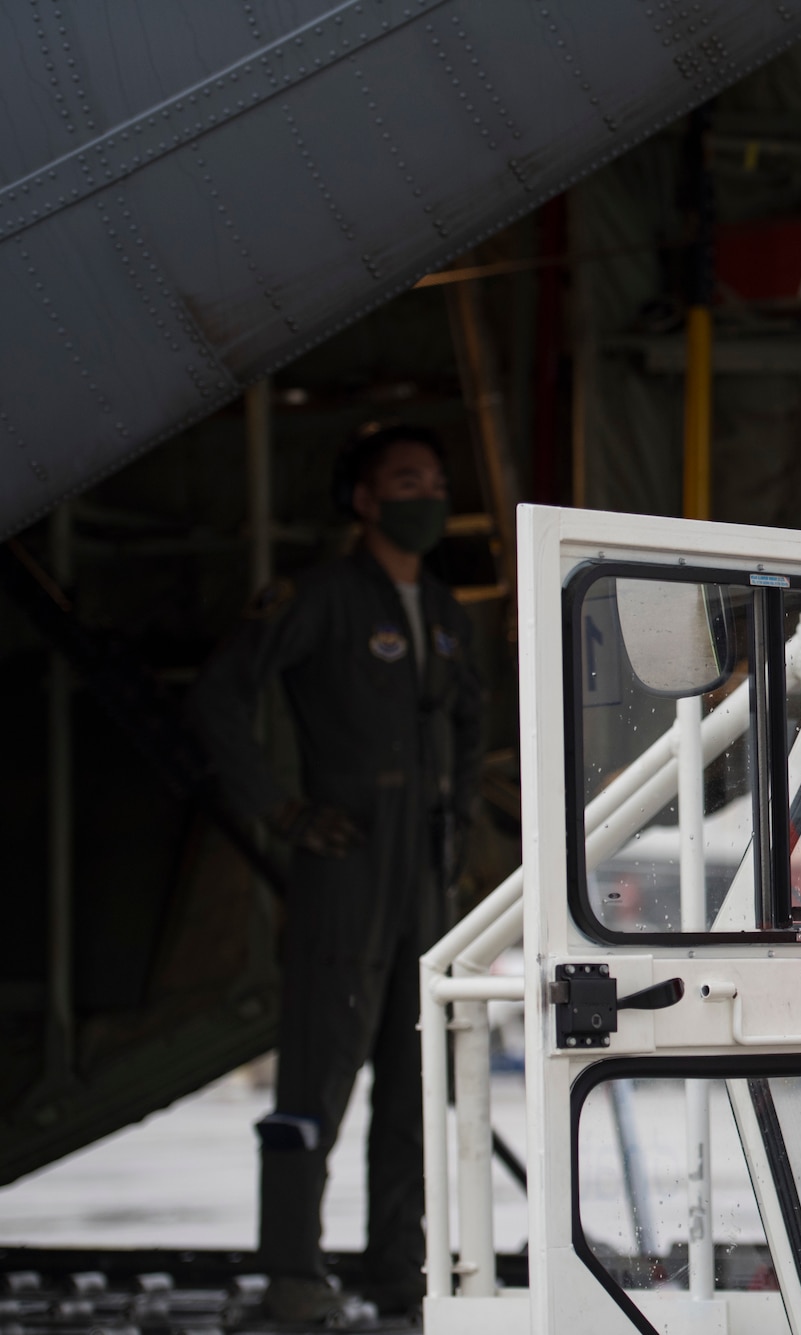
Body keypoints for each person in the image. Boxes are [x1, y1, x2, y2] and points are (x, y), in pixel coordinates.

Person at [190, 423, 484, 1322]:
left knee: (413, 1078)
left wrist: (462, 825)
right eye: (405, 478)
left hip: (425, 867)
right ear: (362, 498)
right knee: (319, 1072)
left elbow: (471, 723)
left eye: (435, 476)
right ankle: (291, 1269)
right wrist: (280, 810)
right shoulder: (316, 598)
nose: (425, 492)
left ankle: (398, 1268)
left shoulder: (442, 610)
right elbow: (219, 698)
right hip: (349, 857)